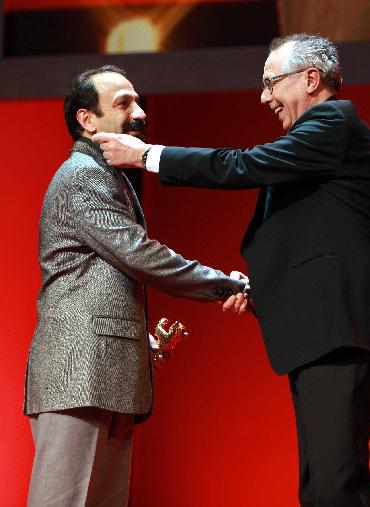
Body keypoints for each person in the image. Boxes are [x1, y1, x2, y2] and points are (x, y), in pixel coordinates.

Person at [93, 34, 370, 506]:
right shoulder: (319, 142)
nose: (264, 97)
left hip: (343, 333)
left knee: (337, 486)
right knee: (322, 486)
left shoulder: (331, 123)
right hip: (328, 334)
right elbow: (318, 237)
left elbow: (242, 166)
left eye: (270, 83)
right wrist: (264, 290)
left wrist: (145, 155)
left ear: (310, 79)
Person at [24, 65, 249, 507]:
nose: (139, 113)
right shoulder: (82, 177)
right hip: (79, 370)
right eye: (124, 104)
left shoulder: (109, 178)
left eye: (138, 101)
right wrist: (223, 284)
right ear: (87, 121)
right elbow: (141, 255)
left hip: (107, 371)